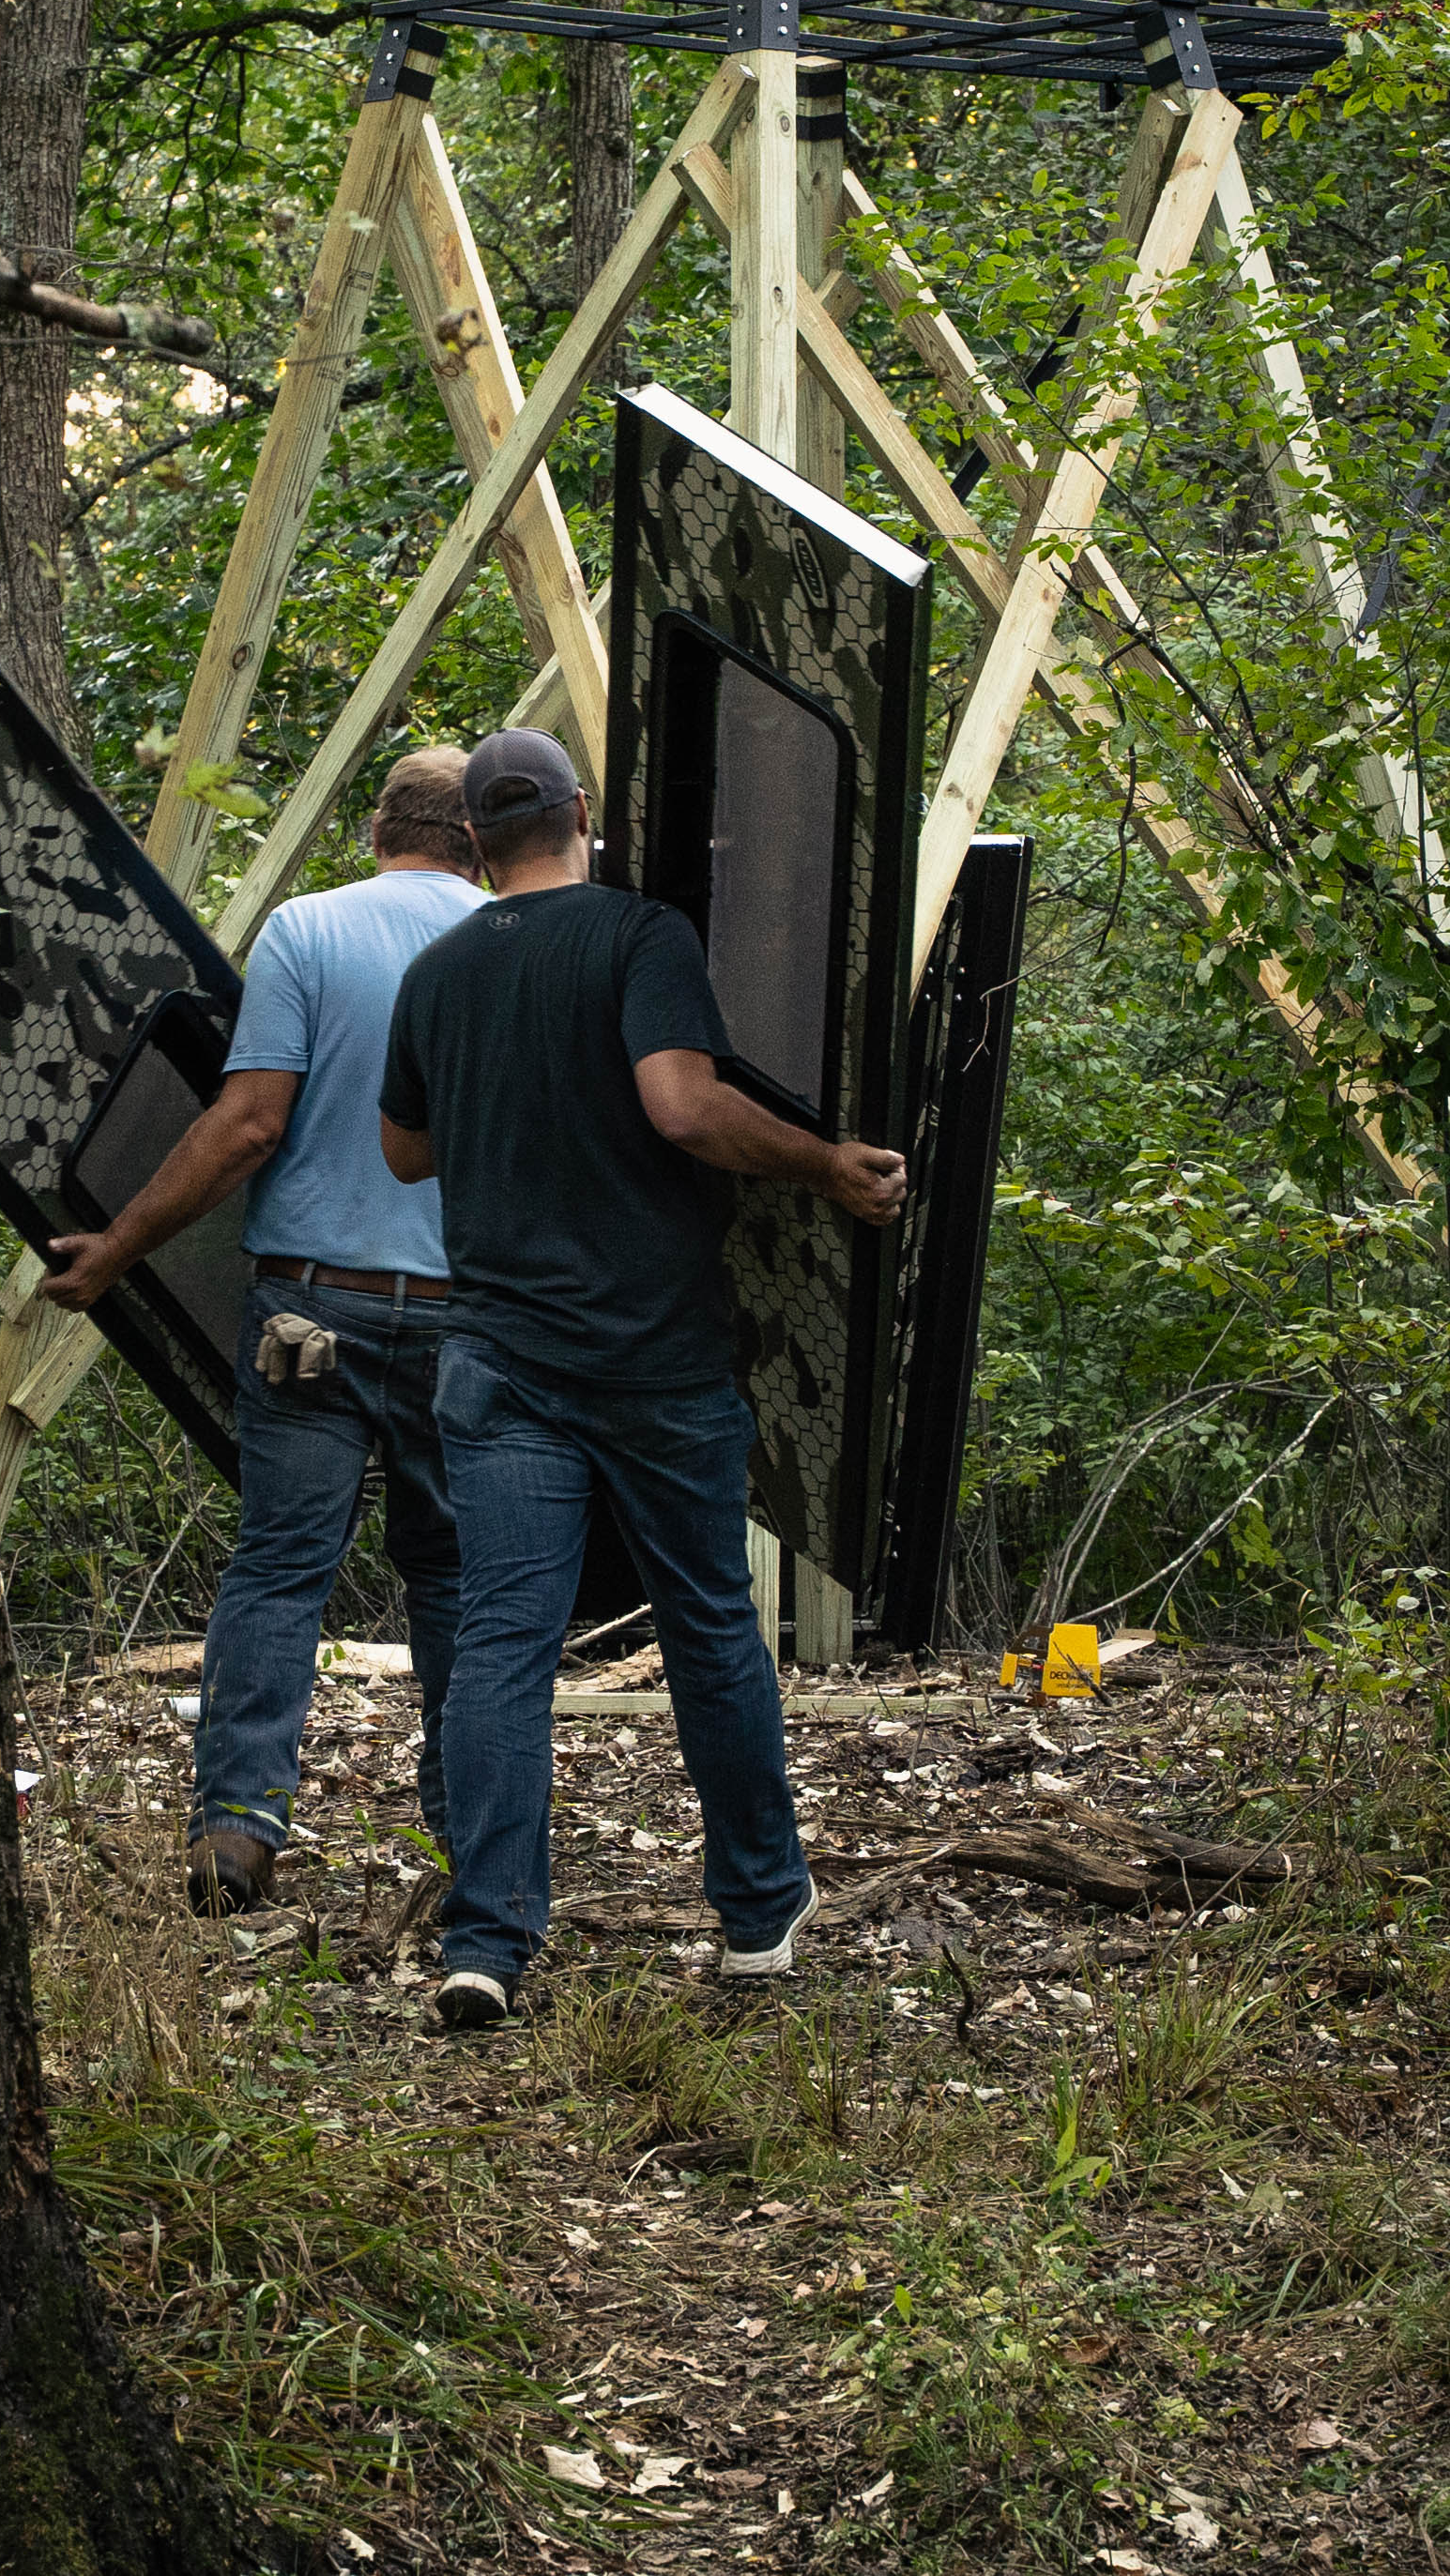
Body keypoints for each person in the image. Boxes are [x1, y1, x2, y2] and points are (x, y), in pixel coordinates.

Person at [377, 726, 907, 2034]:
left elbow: (402, 1152)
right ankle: (757, 1913)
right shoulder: (639, 936)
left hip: (495, 1359)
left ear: (471, 841)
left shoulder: (436, 972)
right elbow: (681, 1106)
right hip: (653, 1358)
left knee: (501, 1643)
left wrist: (507, 1106)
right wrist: (823, 1162)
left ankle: (486, 1939)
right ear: (578, 813)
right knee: (707, 1625)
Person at [39, 746, 487, 1916]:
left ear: (377, 831)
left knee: (281, 1568)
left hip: (308, 1311)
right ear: (479, 843)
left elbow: (246, 1128)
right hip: (463, 1319)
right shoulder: (510, 942)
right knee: (453, 1578)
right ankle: (471, 1846)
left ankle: (236, 1833)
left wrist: (116, 1247)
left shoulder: (309, 930)